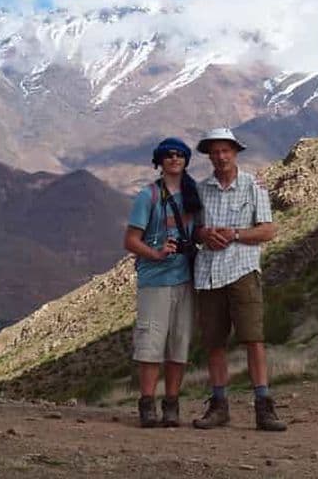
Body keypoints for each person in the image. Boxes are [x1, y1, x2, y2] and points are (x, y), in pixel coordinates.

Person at [192, 128, 286, 432]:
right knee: (214, 342)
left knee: (253, 339)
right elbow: (191, 231)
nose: (220, 157)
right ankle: (219, 407)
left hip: (243, 271)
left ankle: (264, 407)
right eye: (215, 152)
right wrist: (203, 234)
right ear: (209, 156)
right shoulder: (200, 189)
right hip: (208, 273)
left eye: (225, 151)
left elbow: (268, 230)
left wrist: (234, 234)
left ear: (235, 152)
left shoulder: (253, 186)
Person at [123, 137, 201, 428]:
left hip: (185, 278)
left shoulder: (194, 194)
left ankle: (172, 403)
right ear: (159, 161)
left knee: (179, 345)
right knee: (151, 345)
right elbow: (130, 240)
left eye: (179, 154)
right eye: (168, 155)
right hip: (155, 281)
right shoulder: (148, 196)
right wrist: (155, 253)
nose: (174, 159)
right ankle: (147, 403)